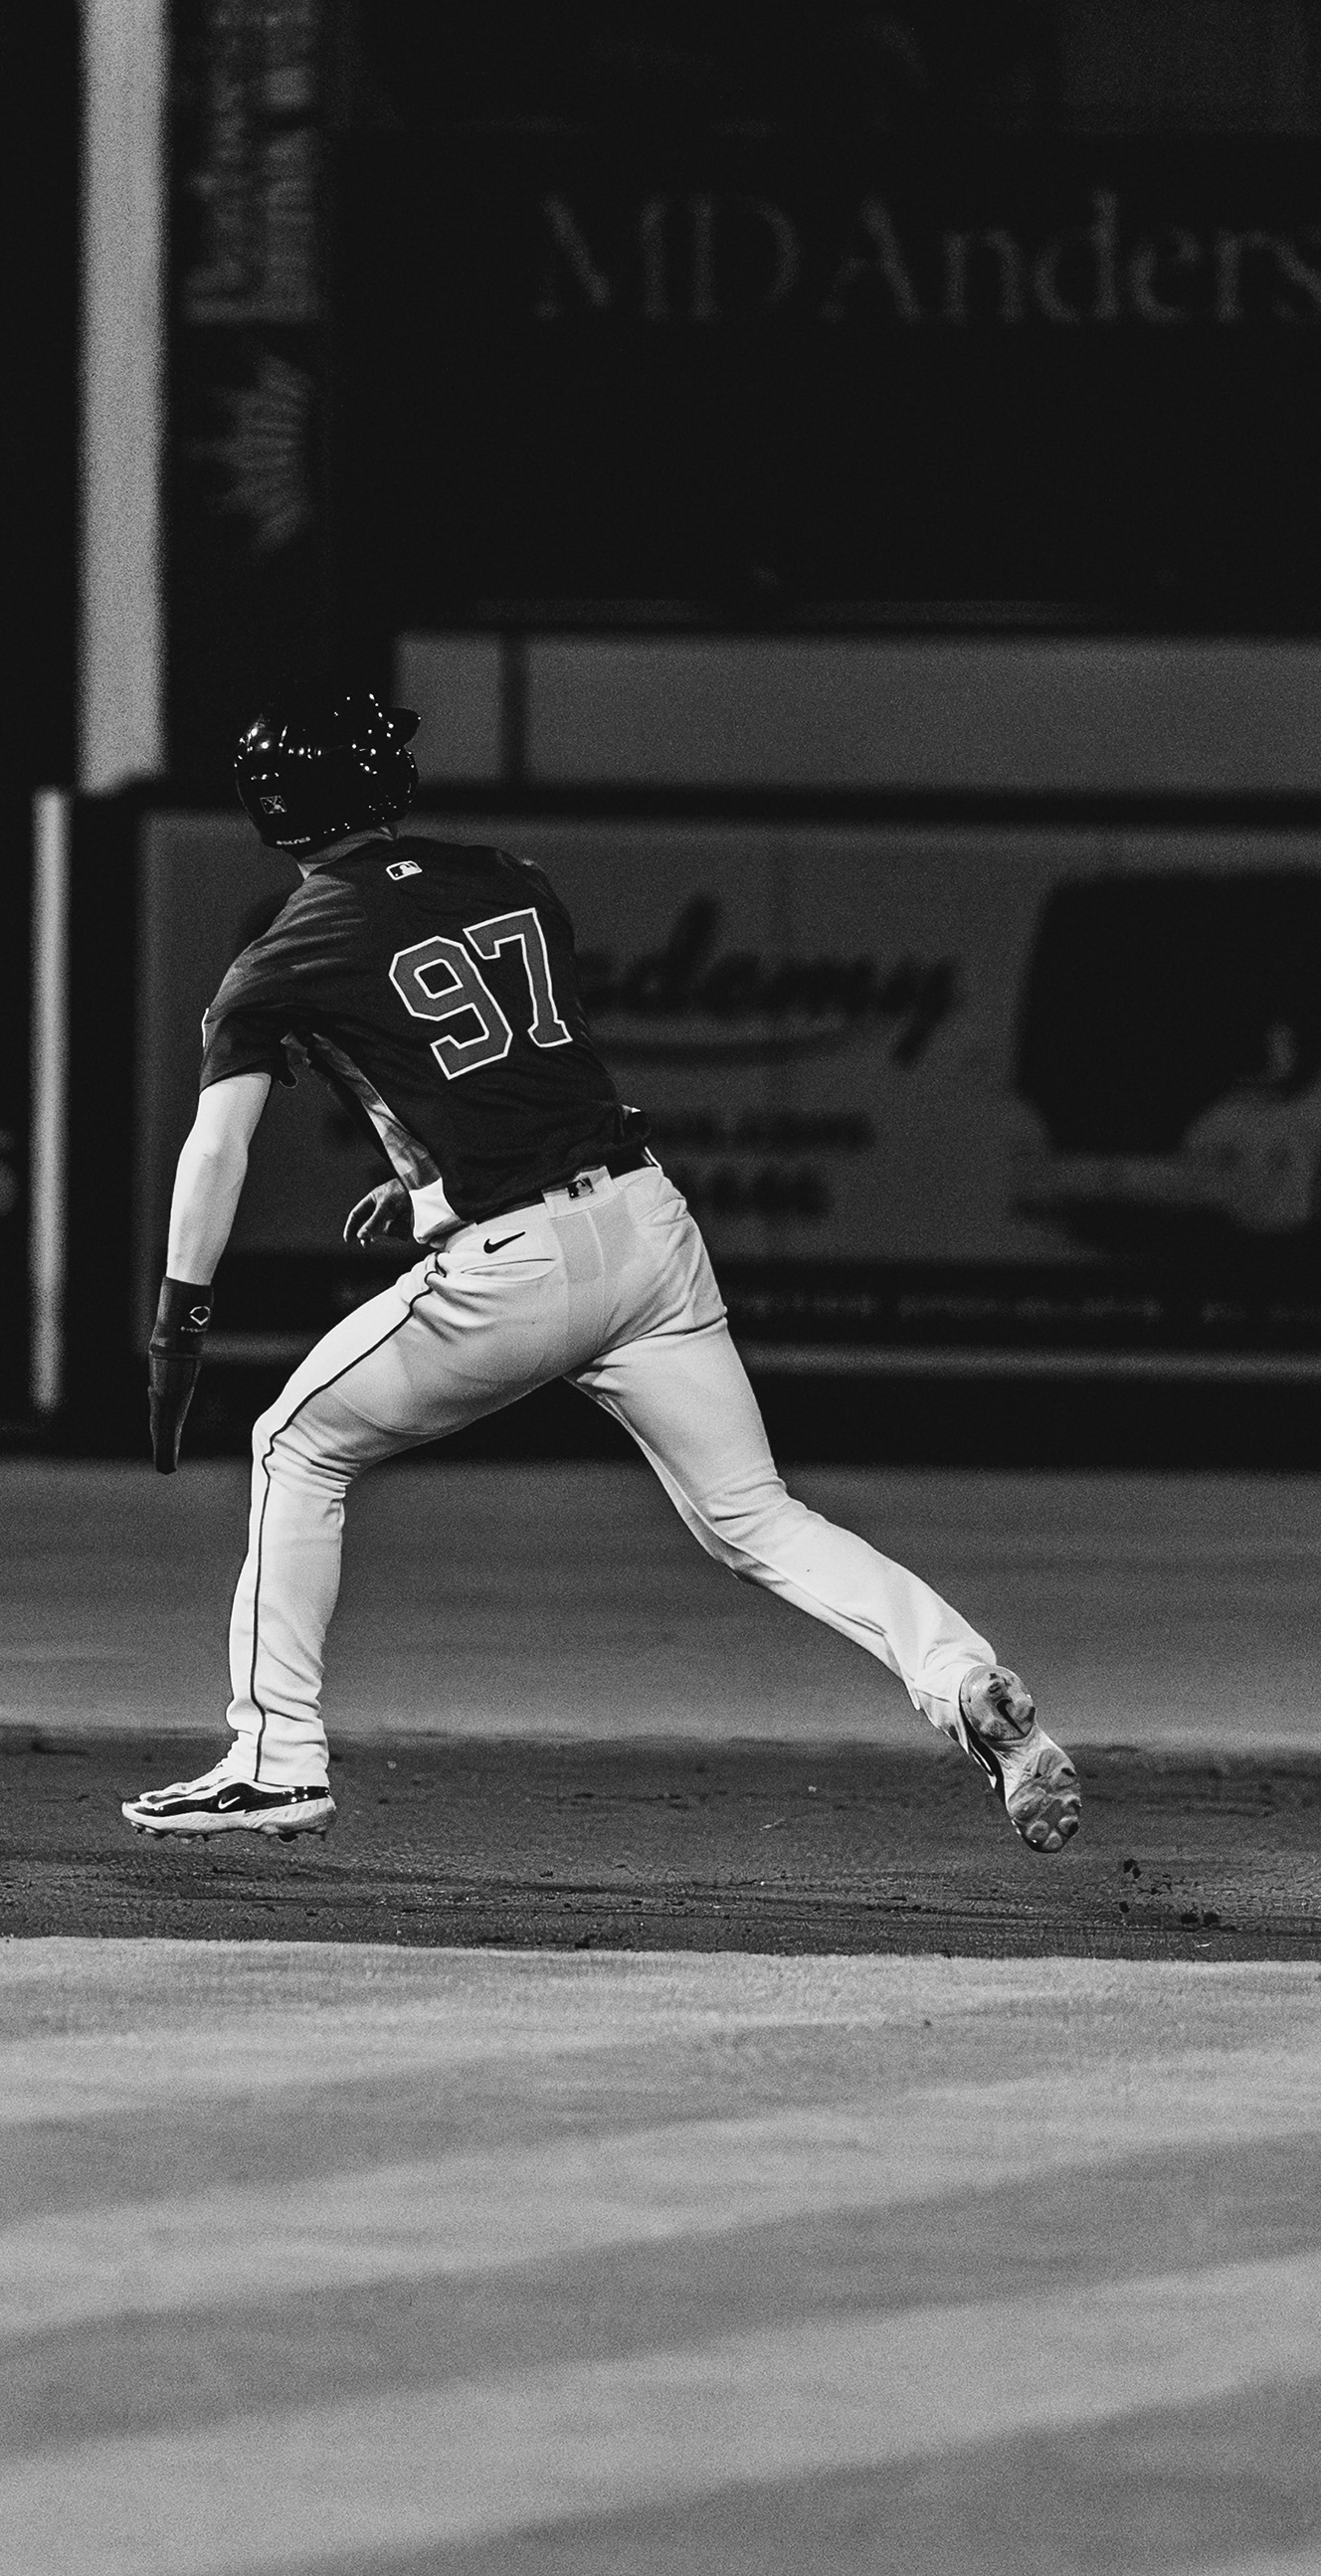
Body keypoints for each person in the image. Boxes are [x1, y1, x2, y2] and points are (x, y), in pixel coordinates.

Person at [126, 691, 1083, 1854]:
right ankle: (966, 1684)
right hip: (643, 1230)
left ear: (272, 805)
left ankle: (276, 1760)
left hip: (515, 1268)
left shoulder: (281, 953)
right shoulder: (512, 879)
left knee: (295, 1443)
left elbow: (217, 1147)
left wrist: (179, 1320)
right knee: (756, 1518)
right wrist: (426, 1182)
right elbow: (516, 1077)